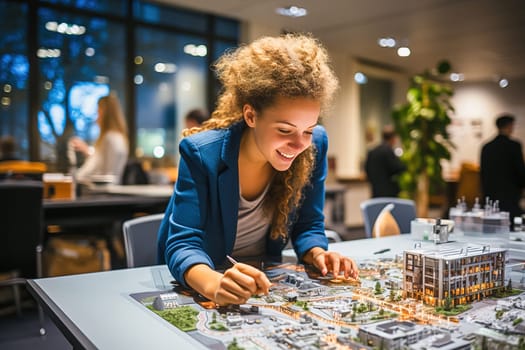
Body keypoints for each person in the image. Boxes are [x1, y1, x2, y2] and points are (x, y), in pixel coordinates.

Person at [157, 34, 358, 306]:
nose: (299, 144)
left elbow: (308, 224)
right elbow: (183, 245)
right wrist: (214, 283)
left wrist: (317, 253)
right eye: (285, 130)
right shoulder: (202, 153)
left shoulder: (314, 146)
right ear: (251, 115)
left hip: (262, 283)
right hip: (202, 278)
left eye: (308, 130)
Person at [69, 93, 129, 184]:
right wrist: (87, 150)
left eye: (98, 111)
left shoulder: (109, 138)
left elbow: (93, 167)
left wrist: (73, 178)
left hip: (104, 192)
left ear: (104, 113)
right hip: (113, 189)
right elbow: (101, 160)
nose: (96, 117)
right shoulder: (119, 137)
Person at [480, 114, 525, 223]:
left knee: (492, 224)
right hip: (510, 192)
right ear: (510, 126)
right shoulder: (514, 145)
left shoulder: (487, 146)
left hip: (491, 193)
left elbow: (483, 173)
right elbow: (520, 169)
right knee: (511, 224)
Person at [364, 126, 406, 197]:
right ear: (393, 138)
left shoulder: (372, 151)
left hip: (375, 193)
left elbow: (367, 170)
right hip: (389, 194)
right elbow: (397, 168)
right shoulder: (388, 151)